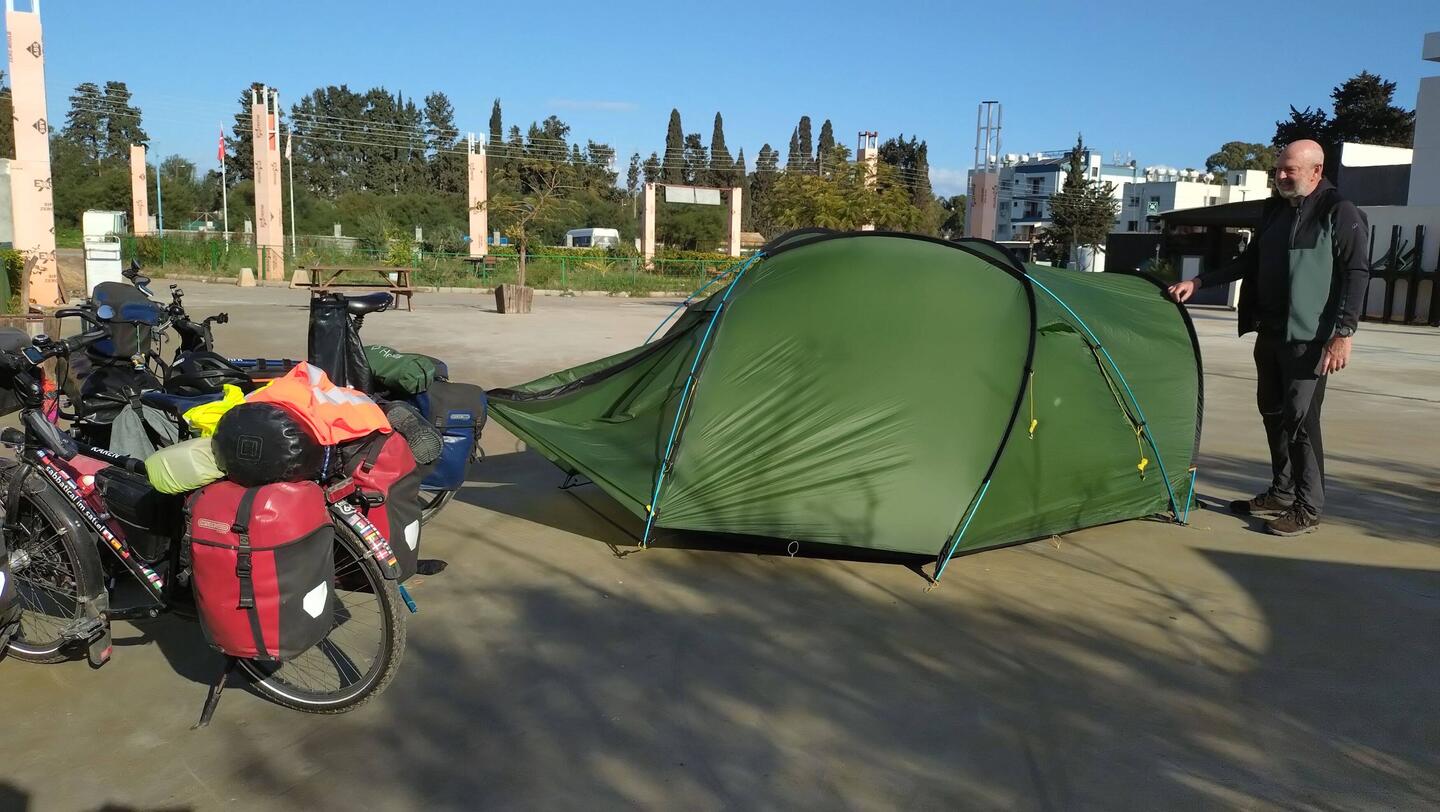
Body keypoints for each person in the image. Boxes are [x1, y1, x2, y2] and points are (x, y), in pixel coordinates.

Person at [1166, 140, 1369, 537]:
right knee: (1273, 413)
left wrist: (1343, 333)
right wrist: (1200, 281)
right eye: (1278, 169)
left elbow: (1357, 273)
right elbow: (1250, 260)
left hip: (1310, 338)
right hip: (1272, 331)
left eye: (1289, 170)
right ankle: (1282, 491)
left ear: (1316, 171)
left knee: (1302, 421)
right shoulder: (1276, 210)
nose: (1280, 176)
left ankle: (1308, 508)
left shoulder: (1338, 211)